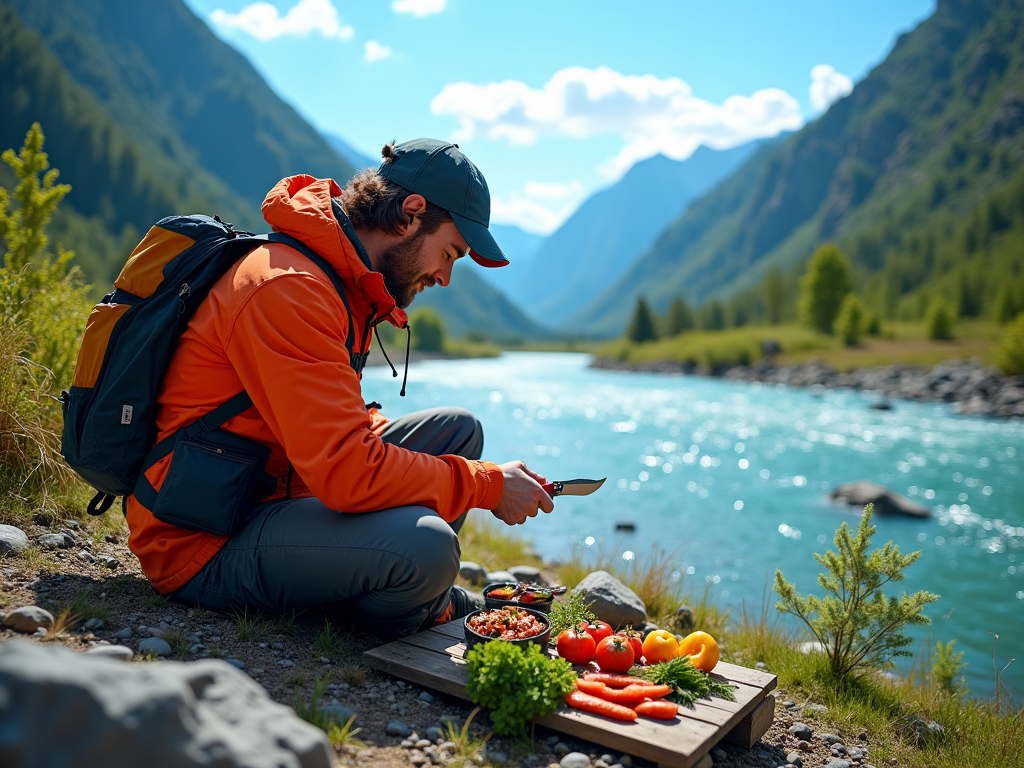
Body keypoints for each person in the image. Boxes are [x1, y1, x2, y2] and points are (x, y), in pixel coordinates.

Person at [125, 139, 554, 637]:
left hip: (276, 490)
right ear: (411, 214)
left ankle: (406, 591)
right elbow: (347, 472)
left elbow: (326, 415)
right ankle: (403, 604)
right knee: (431, 549)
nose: (444, 277)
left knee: (457, 432)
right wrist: (488, 484)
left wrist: (396, 449)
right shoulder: (290, 288)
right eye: (450, 254)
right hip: (207, 536)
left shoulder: (337, 280)